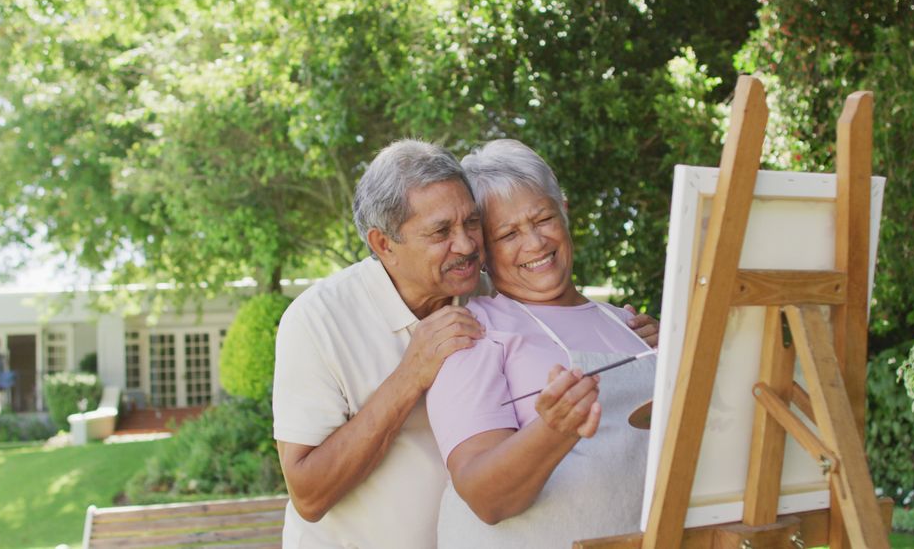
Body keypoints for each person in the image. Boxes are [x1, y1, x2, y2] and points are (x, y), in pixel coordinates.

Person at [273, 139, 658, 548]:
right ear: (384, 244)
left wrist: (634, 343)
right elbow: (308, 495)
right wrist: (409, 376)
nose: (468, 245)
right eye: (441, 231)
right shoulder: (320, 319)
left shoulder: (485, 292)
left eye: (472, 223)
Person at [426, 139, 657, 548]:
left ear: (564, 213)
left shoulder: (627, 324)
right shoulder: (475, 333)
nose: (534, 243)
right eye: (508, 233)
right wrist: (553, 429)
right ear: (482, 252)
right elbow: (485, 497)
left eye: (543, 218)